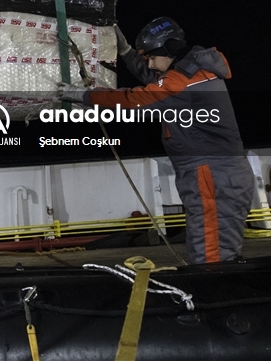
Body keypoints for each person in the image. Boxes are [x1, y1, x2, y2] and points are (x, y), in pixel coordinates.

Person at [59, 17, 254, 264]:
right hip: (213, 172)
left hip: (213, 174)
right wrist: (127, 52)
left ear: (169, 49)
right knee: (207, 246)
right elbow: (153, 79)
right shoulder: (190, 70)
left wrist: (84, 96)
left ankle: (215, 294)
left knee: (212, 254)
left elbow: (134, 100)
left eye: (151, 57)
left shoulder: (183, 81)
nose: (149, 64)